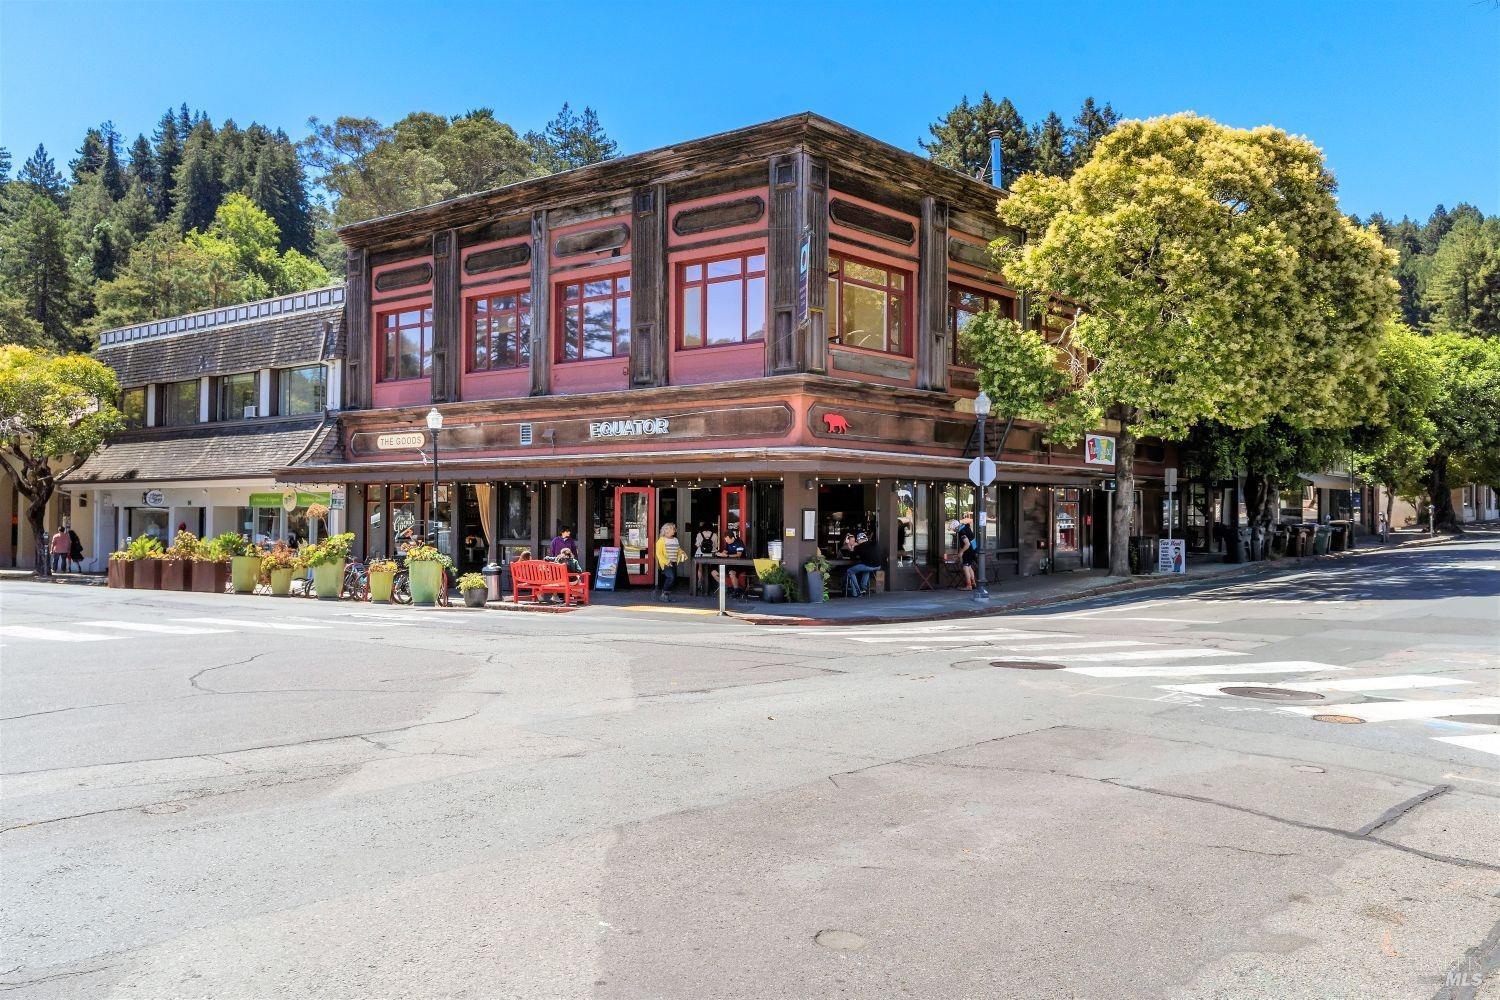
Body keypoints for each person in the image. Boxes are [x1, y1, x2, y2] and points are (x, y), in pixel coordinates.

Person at [653, 523, 687, 602]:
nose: (674, 530)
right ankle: (663, 594)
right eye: (673, 529)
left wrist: (682, 553)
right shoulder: (661, 540)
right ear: (667, 530)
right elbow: (659, 553)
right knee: (670, 577)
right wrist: (666, 561)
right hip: (666, 563)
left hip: (674, 562)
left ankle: (666, 596)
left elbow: (678, 549)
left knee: (672, 578)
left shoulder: (675, 540)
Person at [712, 529, 748, 598]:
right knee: (713, 572)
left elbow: (738, 555)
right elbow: (724, 552)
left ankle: (736, 591)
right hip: (729, 564)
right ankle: (725, 587)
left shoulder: (739, 543)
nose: (726, 541)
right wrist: (720, 554)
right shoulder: (727, 543)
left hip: (739, 564)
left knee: (732, 573)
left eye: (727, 540)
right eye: (725, 540)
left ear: (732, 538)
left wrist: (727, 555)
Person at [845, 531, 882, 598]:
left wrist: (850, 546)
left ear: (859, 540)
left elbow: (852, 557)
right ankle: (863, 588)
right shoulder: (874, 543)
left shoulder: (858, 547)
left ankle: (857, 592)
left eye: (857, 540)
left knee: (850, 571)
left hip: (869, 566)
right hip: (878, 566)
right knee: (866, 568)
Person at [955, 514, 978, 590]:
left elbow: (967, 544)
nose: (954, 531)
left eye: (954, 529)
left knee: (965, 566)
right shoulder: (965, 527)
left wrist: (961, 552)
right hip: (974, 548)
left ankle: (969, 585)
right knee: (969, 566)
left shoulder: (962, 532)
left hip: (969, 550)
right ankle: (973, 583)